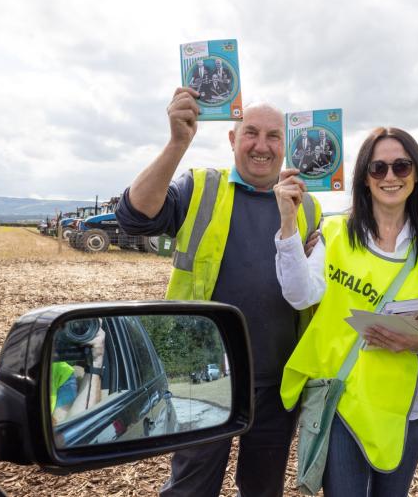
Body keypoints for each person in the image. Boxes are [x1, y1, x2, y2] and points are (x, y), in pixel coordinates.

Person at [115, 87, 321, 497]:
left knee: (263, 489)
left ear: (287, 145)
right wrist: (178, 142)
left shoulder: (309, 207)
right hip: (203, 377)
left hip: (277, 381)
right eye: (251, 133)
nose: (261, 146)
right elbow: (134, 217)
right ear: (232, 139)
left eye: (274, 136)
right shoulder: (201, 187)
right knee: (192, 486)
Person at [276, 127, 418, 497]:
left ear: (416, 175)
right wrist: (288, 225)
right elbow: (300, 296)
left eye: (401, 167)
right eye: (377, 168)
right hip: (341, 401)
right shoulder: (334, 233)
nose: (389, 177)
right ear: (363, 178)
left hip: (405, 407)